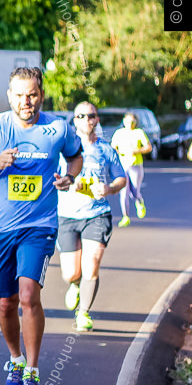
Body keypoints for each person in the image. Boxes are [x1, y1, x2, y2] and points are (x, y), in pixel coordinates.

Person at [0, 67, 82, 385]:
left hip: (39, 226)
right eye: (19, 95)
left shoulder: (57, 127)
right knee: (6, 303)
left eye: (31, 94)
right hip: (0, 229)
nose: (25, 101)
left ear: (41, 94)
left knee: (28, 296)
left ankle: (32, 370)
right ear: (9, 96)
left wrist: (69, 177)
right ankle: (15, 359)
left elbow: (75, 156)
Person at [56, 103, 126, 332]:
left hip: (97, 214)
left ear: (96, 120)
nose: (86, 119)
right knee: (71, 272)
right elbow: (50, 175)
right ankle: (75, 284)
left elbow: (121, 179)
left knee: (92, 264)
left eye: (91, 115)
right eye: (81, 115)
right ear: (74, 120)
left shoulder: (106, 149)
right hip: (67, 215)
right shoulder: (63, 150)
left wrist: (109, 189)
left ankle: (83, 313)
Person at [110, 112, 152, 227]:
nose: (130, 124)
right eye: (128, 122)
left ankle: (139, 201)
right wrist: (117, 153)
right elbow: (113, 147)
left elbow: (148, 147)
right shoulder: (119, 133)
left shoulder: (139, 132)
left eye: (132, 122)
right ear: (124, 121)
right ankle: (125, 216)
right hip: (122, 165)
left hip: (135, 165)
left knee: (134, 192)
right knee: (123, 192)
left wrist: (137, 150)